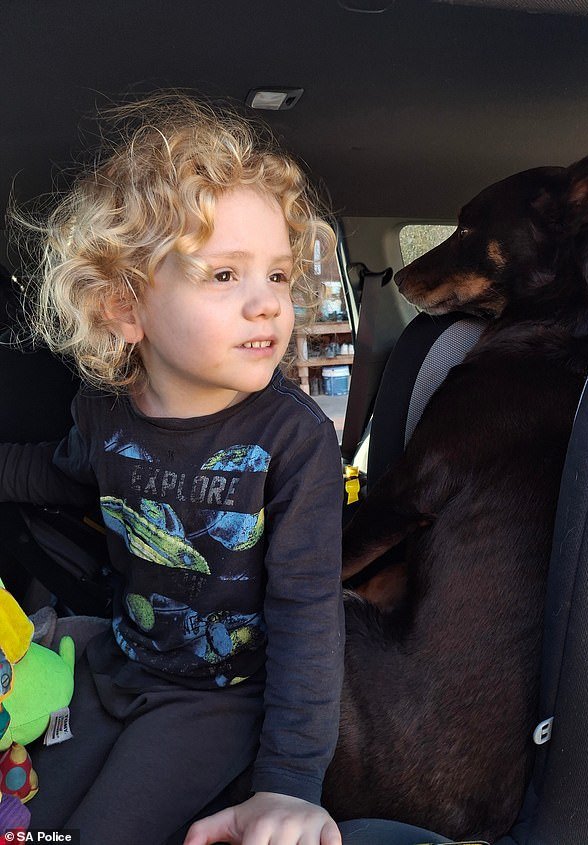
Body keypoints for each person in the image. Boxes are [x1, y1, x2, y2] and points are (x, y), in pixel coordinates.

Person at [2, 93, 344, 845]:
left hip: (218, 698)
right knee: (26, 822)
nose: (267, 305)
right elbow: (58, 476)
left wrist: (288, 785)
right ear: (125, 306)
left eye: (280, 276)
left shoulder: (295, 441)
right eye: (225, 276)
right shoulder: (105, 414)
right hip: (120, 661)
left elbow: (309, 613)